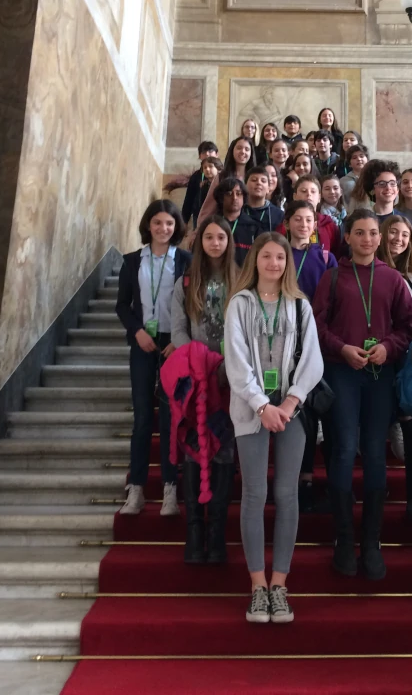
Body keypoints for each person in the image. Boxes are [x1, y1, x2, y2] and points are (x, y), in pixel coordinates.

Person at [224, 232, 324, 624]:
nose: (274, 263)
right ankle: (257, 587)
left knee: (286, 493)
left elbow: (312, 360)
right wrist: (261, 405)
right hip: (252, 410)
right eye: (266, 256)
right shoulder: (240, 304)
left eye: (280, 257)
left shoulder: (300, 305)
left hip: (291, 411)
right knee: (254, 493)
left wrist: (288, 402)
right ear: (256, 261)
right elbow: (235, 360)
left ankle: (279, 585)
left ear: (287, 263)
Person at [313, 209, 412, 580]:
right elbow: (317, 326)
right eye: (360, 232)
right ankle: (344, 540)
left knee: (374, 451)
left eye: (373, 233)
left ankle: (371, 543)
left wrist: (390, 346)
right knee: (342, 449)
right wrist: (342, 349)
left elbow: (407, 326)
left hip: (380, 375)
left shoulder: (393, 279)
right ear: (348, 236)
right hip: (342, 372)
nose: (368, 239)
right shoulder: (332, 277)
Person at [116, 200, 192, 516]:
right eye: (158, 223)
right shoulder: (132, 261)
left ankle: (170, 490)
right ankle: (136, 490)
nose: (164, 229)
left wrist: (180, 338)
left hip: (173, 345)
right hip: (143, 343)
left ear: (176, 228)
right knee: (144, 418)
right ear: (149, 225)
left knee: (171, 419)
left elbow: (193, 302)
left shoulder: (185, 260)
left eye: (170, 224)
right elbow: (122, 305)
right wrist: (137, 332)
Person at [170, 215, 238, 563]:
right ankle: (194, 533)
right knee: (194, 450)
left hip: (229, 379)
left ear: (228, 242)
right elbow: (178, 327)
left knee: (224, 450)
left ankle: (217, 535)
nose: (214, 243)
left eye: (220, 237)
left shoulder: (241, 279)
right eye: (208, 237)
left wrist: (228, 366)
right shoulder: (185, 281)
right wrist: (196, 360)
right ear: (200, 242)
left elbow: (243, 327)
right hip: (195, 379)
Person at [285, 199, 338, 512]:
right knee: (298, 413)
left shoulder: (325, 257)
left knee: (320, 408)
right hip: (285, 342)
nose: (304, 225)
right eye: (298, 219)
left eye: (309, 220)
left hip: (318, 341)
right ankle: (300, 479)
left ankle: (325, 480)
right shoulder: (281, 254)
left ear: (315, 225)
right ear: (288, 222)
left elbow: (334, 299)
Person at [378, 215, 412, 521]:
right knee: (377, 424)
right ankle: (376, 485)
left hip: (407, 359)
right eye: (393, 233)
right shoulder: (372, 270)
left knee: (409, 423)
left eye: (405, 236)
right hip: (379, 357)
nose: (398, 239)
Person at [277, 176, 341, 259]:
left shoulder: (329, 225)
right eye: (304, 191)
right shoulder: (285, 226)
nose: (309, 194)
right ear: (295, 196)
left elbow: (336, 255)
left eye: (313, 191)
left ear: (319, 197)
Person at [198, 136, 256, 221]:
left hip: (250, 224)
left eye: (247, 149)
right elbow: (209, 206)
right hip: (224, 224)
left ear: (251, 153)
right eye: (239, 148)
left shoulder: (256, 177)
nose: (243, 152)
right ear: (232, 150)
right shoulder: (221, 177)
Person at [213, 177, 261, 267]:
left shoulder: (254, 227)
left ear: (244, 198)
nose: (234, 198)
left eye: (239, 194)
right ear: (221, 198)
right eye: (229, 194)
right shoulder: (211, 225)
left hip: (244, 277)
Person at [177, 141, 219, 226]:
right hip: (199, 215)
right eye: (203, 152)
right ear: (200, 156)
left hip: (219, 214)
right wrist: (184, 221)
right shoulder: (196, 176)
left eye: (210, 151)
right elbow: (189, 199)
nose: (207, 154)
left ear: (217, 154)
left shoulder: (224, 174)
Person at [244, 166, 285, 231]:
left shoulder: (279, 215)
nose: (258, 183)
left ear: (268, 189)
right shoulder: (238, 211)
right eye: (254, 180)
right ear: (245, 185)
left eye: (263, 181)